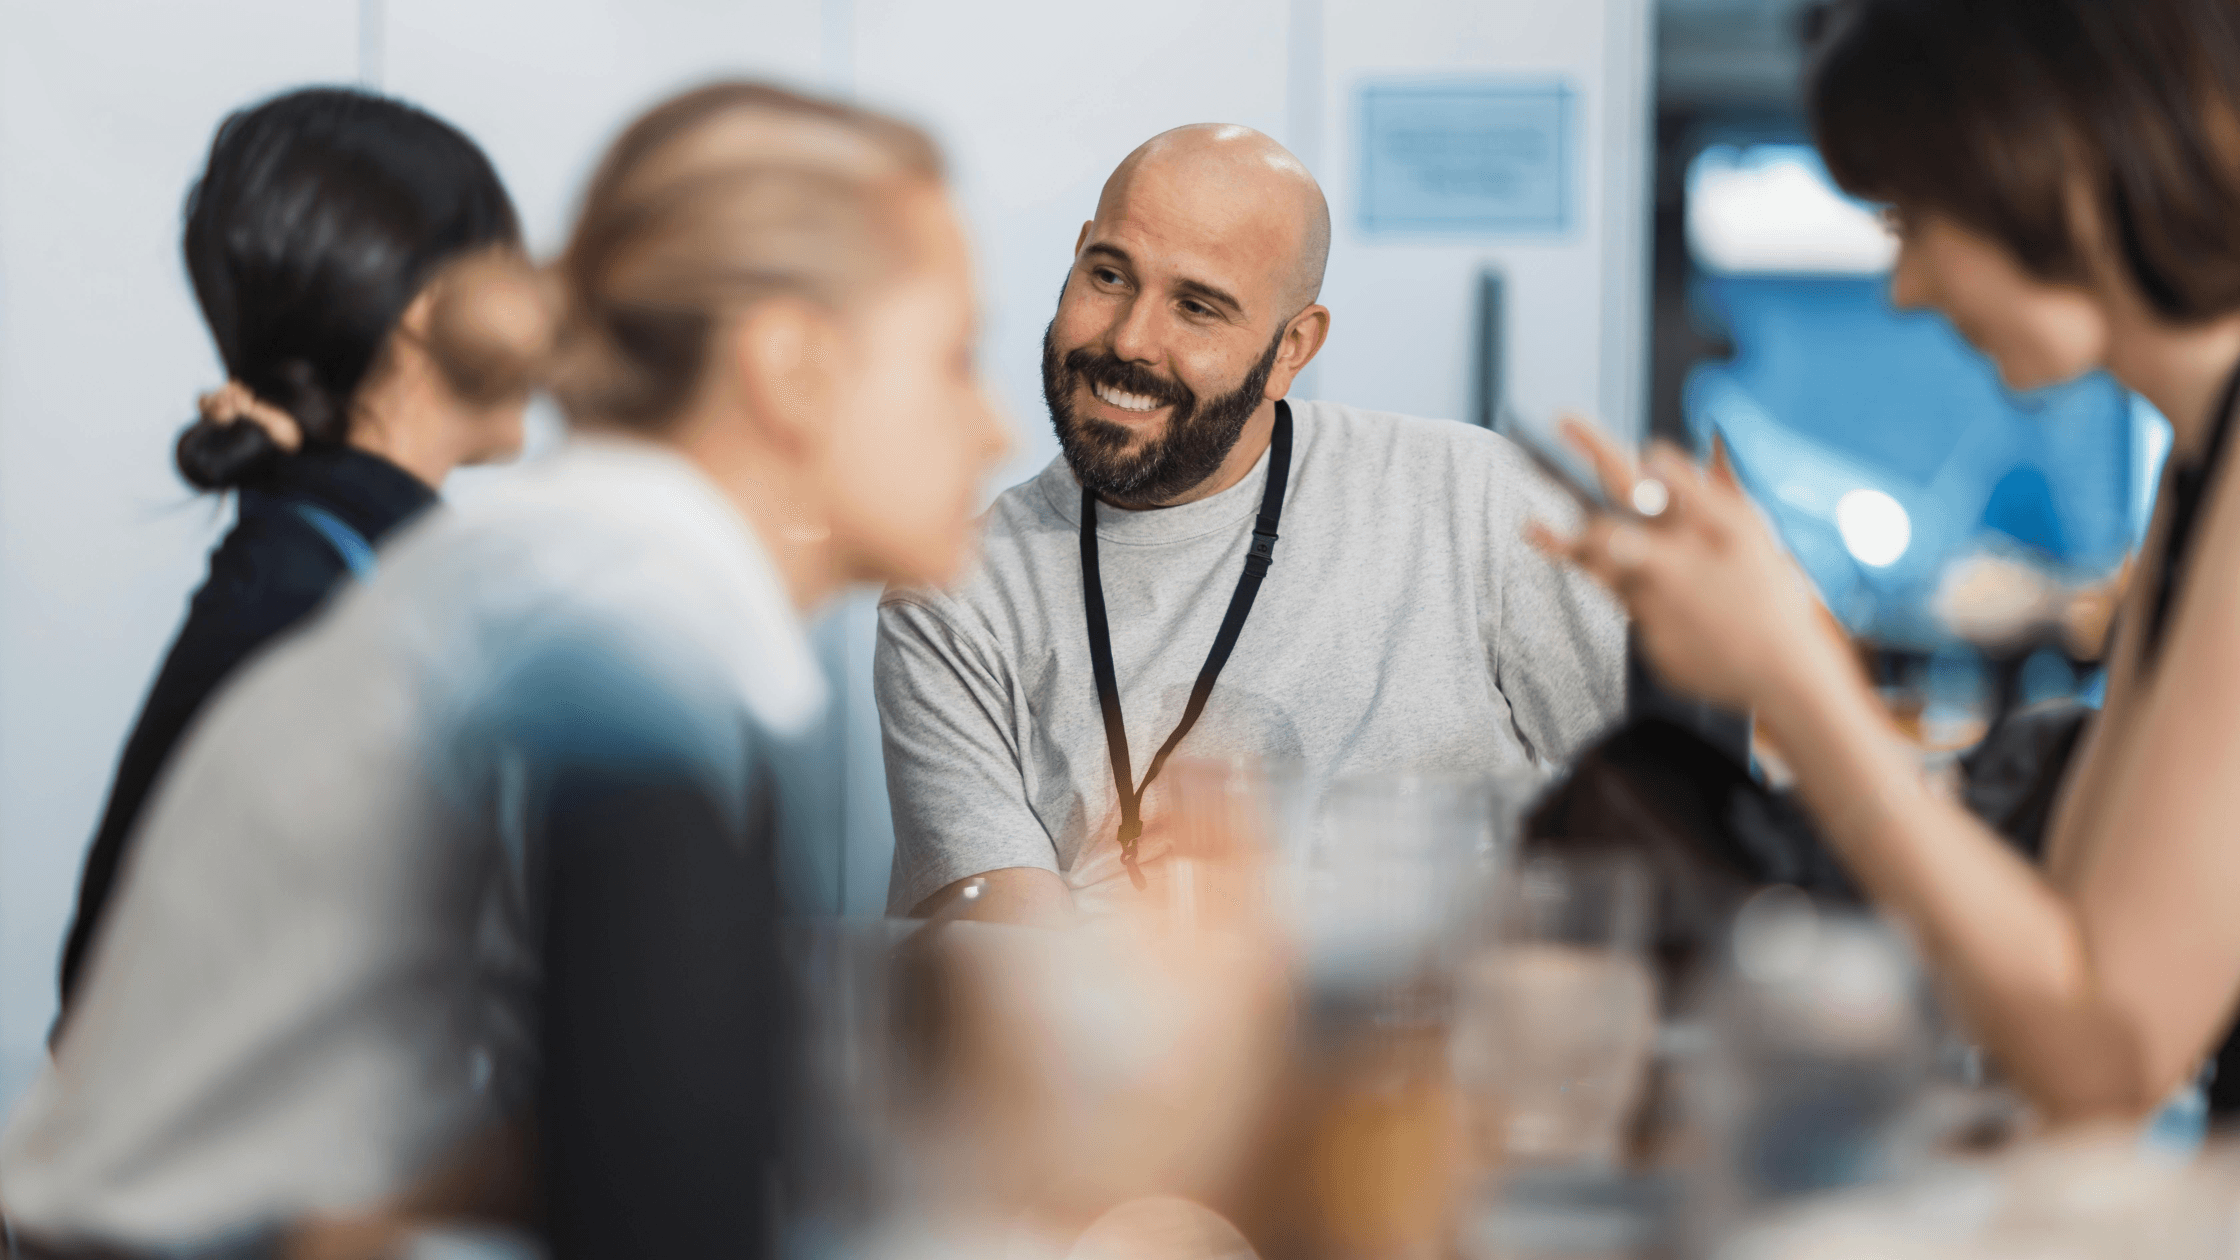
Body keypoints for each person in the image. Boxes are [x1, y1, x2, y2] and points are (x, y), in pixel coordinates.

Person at [0, 82, 1006, 1258]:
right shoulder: (614, 623)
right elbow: (666, 1213)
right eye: (952, 358)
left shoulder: (584, 577)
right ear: (793, 371)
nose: (992, 426)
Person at [1543, 0, 2240, 1125]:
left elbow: (2104, 1057)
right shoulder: (2200, 466)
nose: (1905, 289)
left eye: (1908, 221)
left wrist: (1792, 678)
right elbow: (2071, 929)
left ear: (2050, 169)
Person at [877, 124, 1627, 924]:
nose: (1131, 339)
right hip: (1129, 1043)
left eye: (1197, 307)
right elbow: (1005, 956)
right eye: (1108, 275)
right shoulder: (953, 591)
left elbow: (1686, 801)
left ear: (1289, 350)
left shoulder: (1477, 497)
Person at [54, 87, 529, 1023]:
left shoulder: (340, 570)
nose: (548, 325)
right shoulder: (310, 620)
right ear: (431, 312)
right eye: (518, 278)